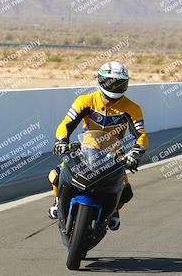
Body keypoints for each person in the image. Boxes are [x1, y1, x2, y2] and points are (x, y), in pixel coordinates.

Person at [48, 61, 148, 230]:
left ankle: (114, 210)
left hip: (115, 154)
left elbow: (141, 135)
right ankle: (58, 201)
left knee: (126, 191)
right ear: (101, 81)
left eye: (120, 83)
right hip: (84, 149)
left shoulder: (132, 109)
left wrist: (135, 154)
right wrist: (61, 141)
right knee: (56, 174)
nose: (115, 87)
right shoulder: (85, 101)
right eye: (111, 83)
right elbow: (67, 123)